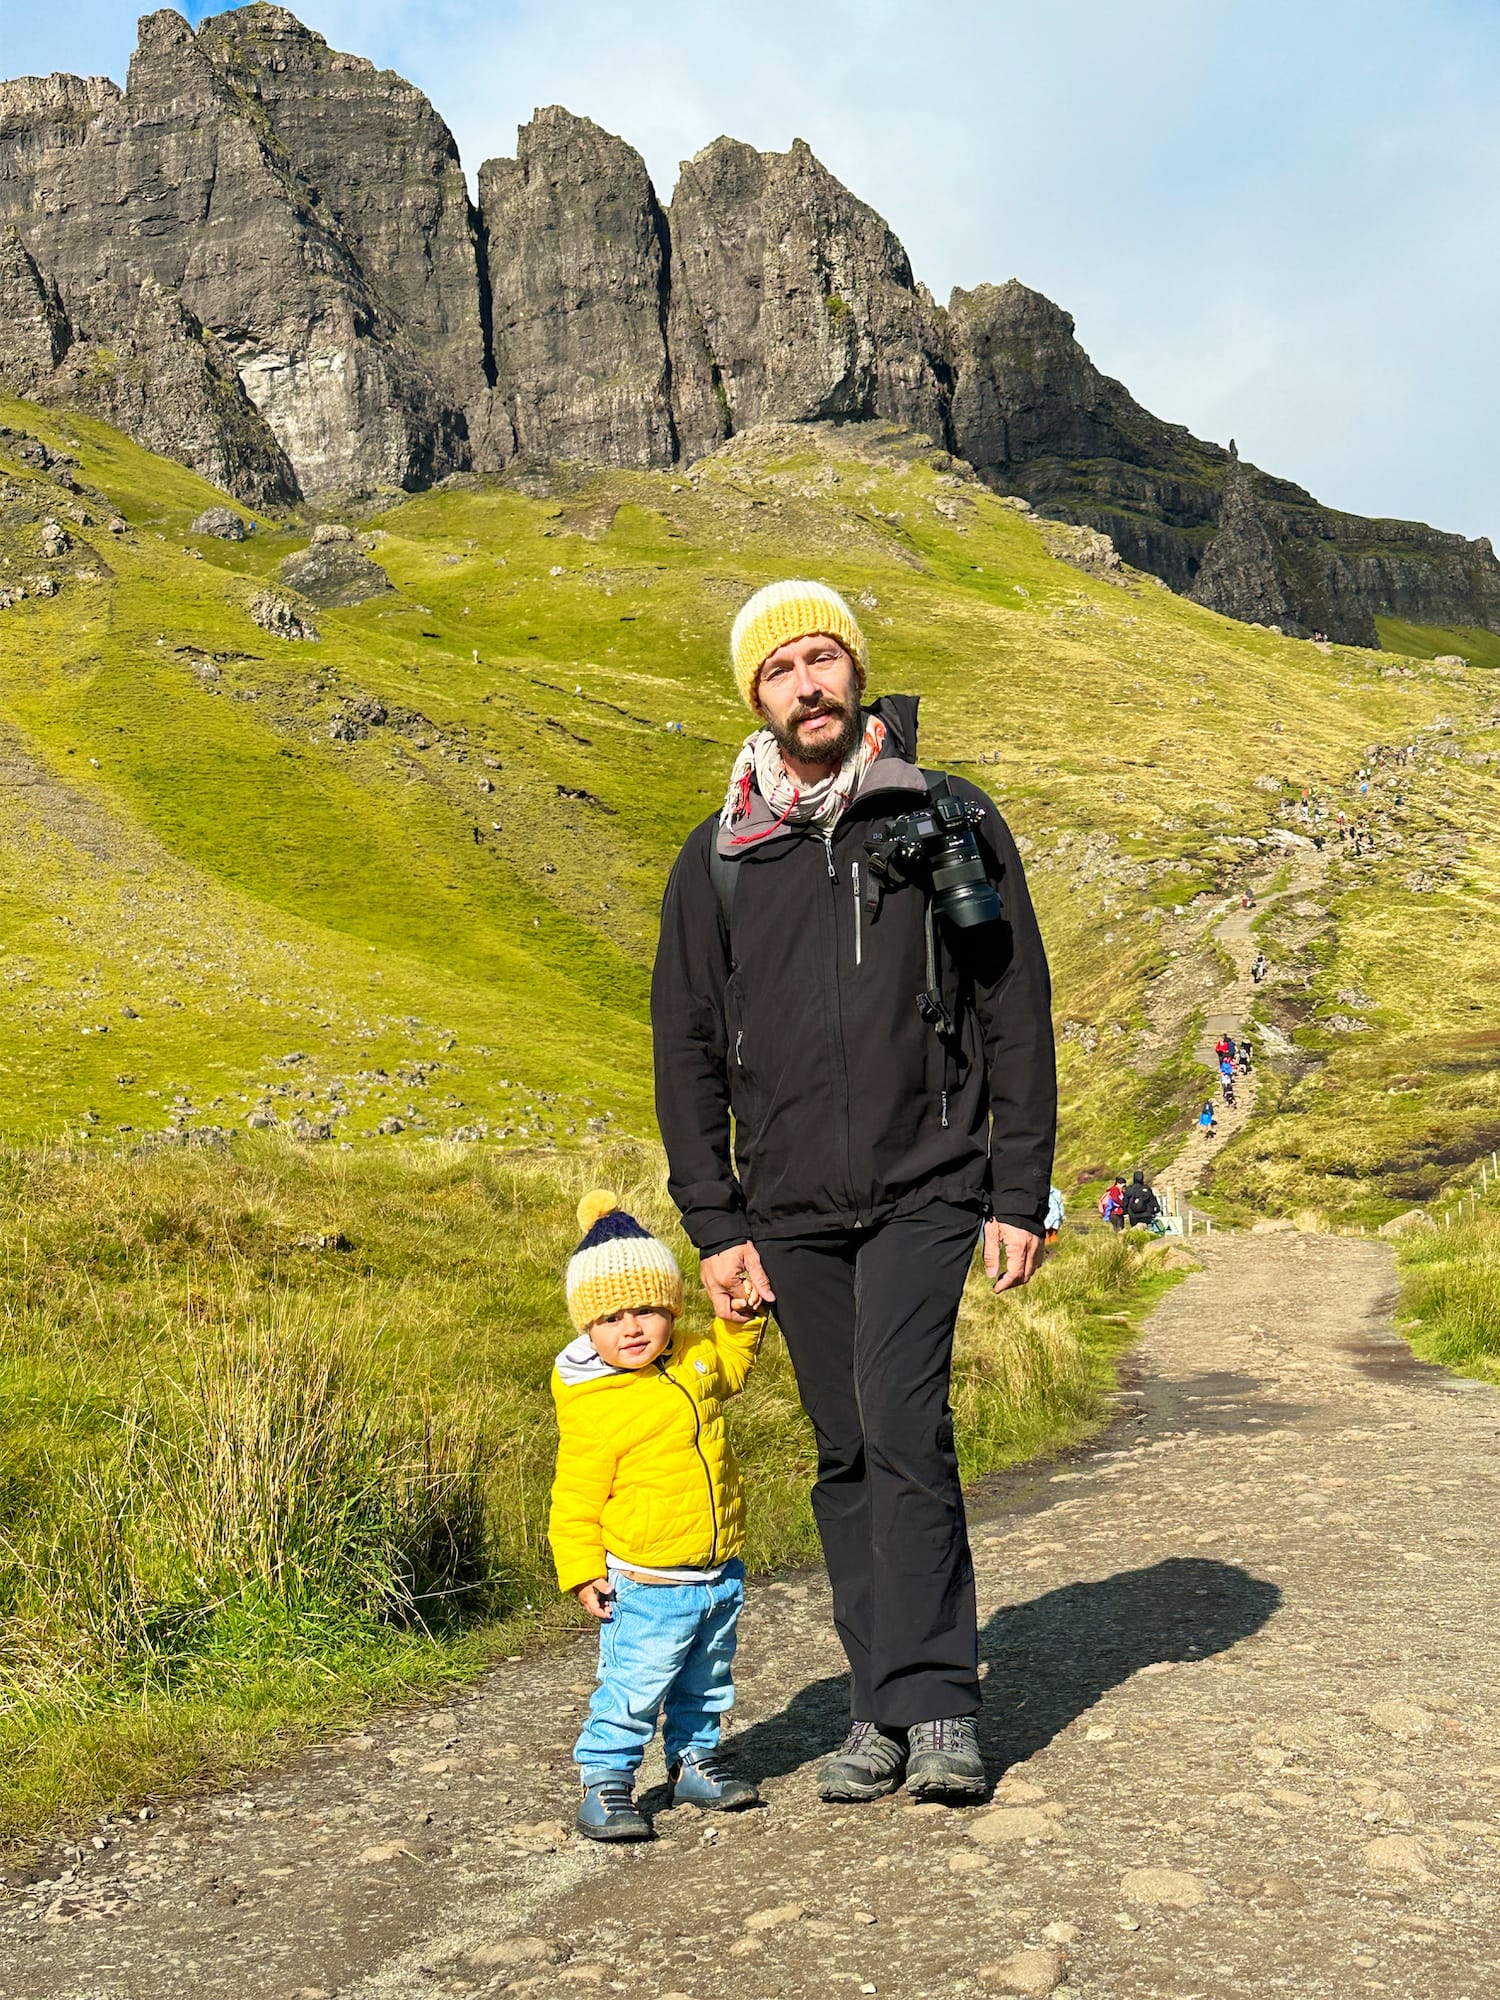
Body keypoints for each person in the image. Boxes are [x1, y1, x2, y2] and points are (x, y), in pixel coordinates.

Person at [652, 578, 1056, 1805]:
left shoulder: (944, 813)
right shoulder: (720, 857)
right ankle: (874, 1703)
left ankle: (935, 1706)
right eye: (781, 670)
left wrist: (1018, 1190)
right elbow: (687, 1051)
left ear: (858, 676)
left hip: (932, 1182)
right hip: (790, 1210)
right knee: (842, 1449)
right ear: (756, 698)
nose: (807, 684)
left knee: (902, 1422)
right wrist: (716, 1224)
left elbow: (1015, 1007)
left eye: (823, 659)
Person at [549, 1192, 766, 1841]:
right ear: (589, 1327)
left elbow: (731, 1367)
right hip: (645, 1581)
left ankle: (694, 1760)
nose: (633, 1326)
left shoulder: (694, 1359)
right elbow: (575, 1496)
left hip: (717, 1570)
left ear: (670, 1307)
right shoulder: (595, 1402)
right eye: (612, 1316)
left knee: (706, 1680)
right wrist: (582, 1569)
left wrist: (743, 1320)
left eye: (647, 1308)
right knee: (635, 1687)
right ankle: (606, 1783)